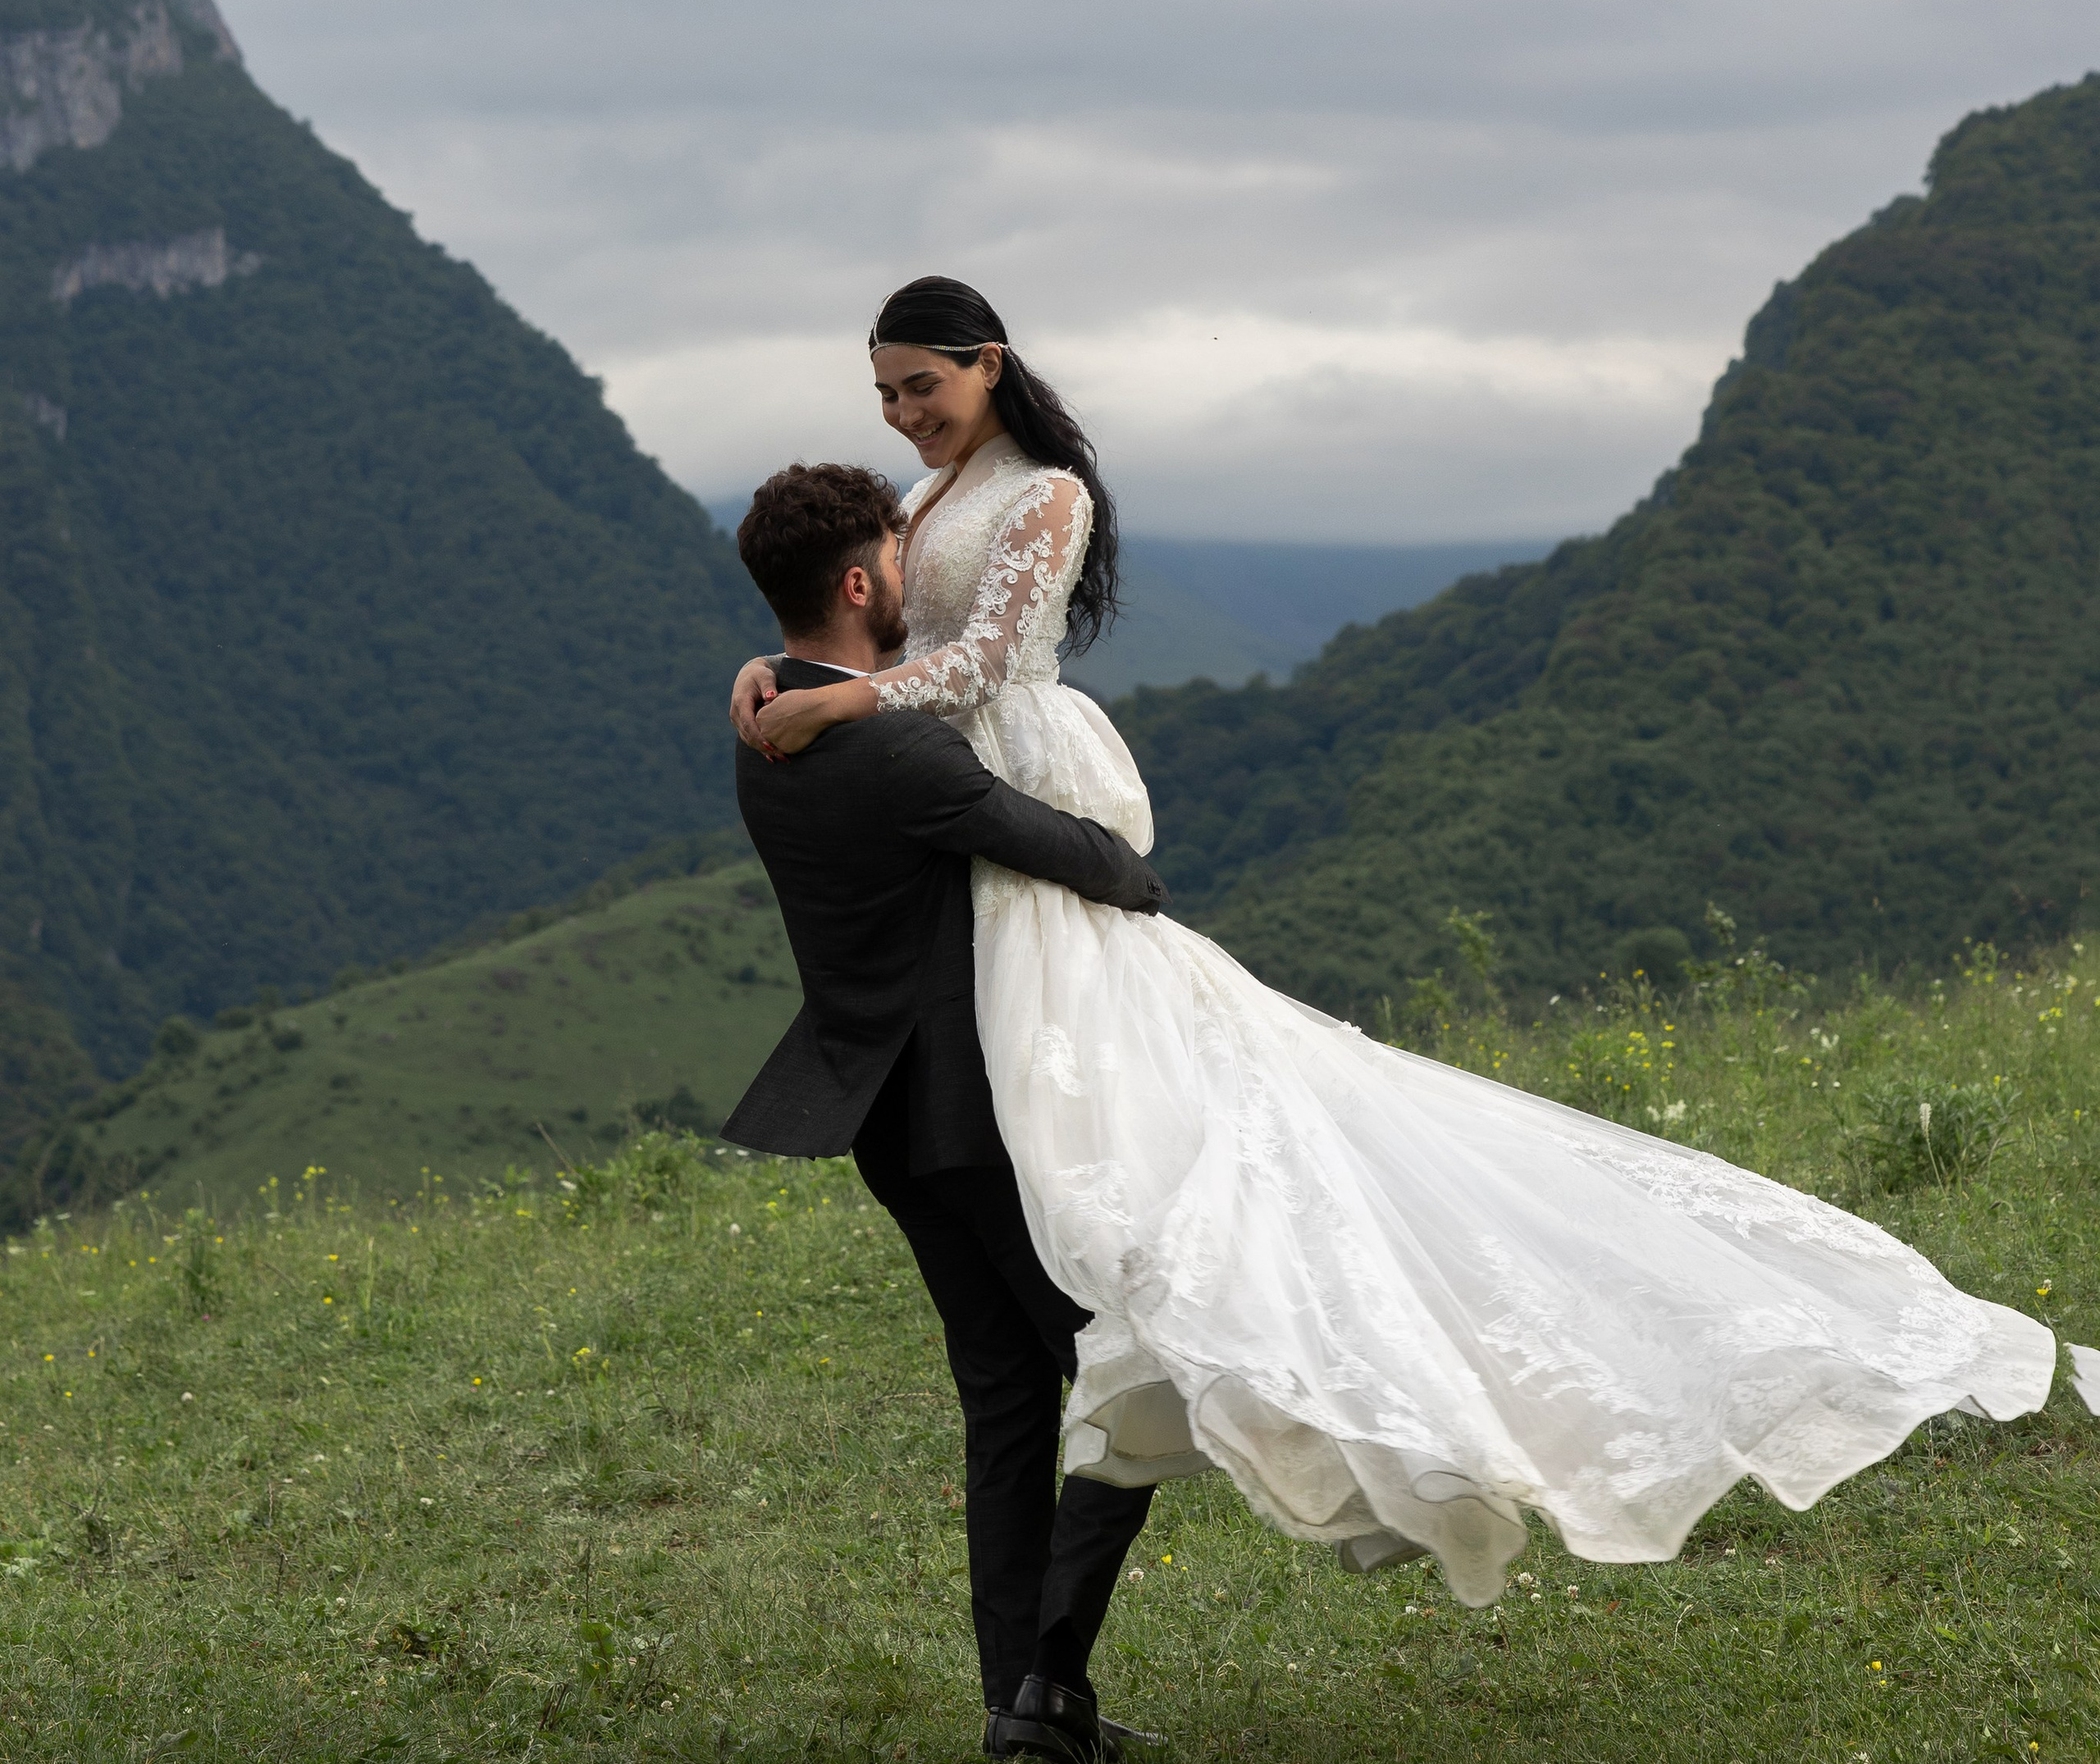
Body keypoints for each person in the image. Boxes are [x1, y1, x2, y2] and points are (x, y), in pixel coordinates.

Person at [731, 274, 2083, 1611]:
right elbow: (873, 613)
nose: (904, 413)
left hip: (1002, 766)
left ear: (990, 362)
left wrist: (838, 702)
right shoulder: (925, 498)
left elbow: (981, 661)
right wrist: (788, 670)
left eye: (923, 384)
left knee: (1111, 1069)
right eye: (886, 393)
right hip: (939, 789)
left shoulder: (1049, 493)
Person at [723, 459, 1167, 1764]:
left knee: (1007, 1394)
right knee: (1124, 1367)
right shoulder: (901, 750)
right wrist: (1143, 884)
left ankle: (1015, 1702)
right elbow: (1088, 858)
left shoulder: (764, 724)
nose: (917, 570)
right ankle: (1048, 1684)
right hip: (973, 1117)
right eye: (900, 554)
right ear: (864, 583)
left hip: (882, 1121)